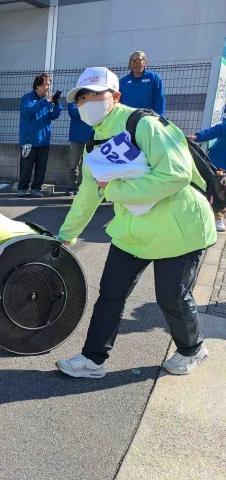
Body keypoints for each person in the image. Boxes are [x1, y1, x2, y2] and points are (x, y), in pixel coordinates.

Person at [55, 67, 215, 379]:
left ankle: (192, 349)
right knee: (110, 294)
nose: (86, 102)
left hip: (180, 228)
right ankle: (93, 360)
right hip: (133, 230)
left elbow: (176, 173)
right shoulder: (94, 143)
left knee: (171, 296)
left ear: (115, 96)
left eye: (95, 95)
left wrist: (116, 190)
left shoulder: (144, 123)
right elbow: (88, 195)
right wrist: (66, 234)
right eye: (81, 98)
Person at [18, 73, 63, 198]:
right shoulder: (27, 98)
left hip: (44, 140)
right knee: (26, 167)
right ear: (37, 86)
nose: (48, 87)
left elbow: (53, 116)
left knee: (41, 168)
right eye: (46, 85)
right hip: (29, 141)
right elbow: (28, 111)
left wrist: (57, 104)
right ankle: (22, 188)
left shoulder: (46, 100)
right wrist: (44, 101)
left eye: (49, 85)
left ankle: (36, 188)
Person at [188, 111, 226, 232]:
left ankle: (218, 215)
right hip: (217, 165)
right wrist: (196, 137)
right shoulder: (224, 126)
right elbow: (213, 131)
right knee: (216, 190)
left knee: (219, 191)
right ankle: (216, 216)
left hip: (219, 166)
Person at [119, 51, 166, 116]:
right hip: (127, 119)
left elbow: (159, 100)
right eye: (132, 61)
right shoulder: (123, 82)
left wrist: (159, 117)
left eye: (138, 60)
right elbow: (118, 102)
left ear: (144, 62)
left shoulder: (154, 78)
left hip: (147, 118)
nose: (135, 63)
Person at [66, 101, 94, 196]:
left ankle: (86, 187)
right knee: (73, 164)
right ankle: (72, 186)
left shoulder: (92, 99)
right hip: (75, 138)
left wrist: (82, 108)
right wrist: (87, 108)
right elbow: (73, 113)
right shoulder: (72, 101)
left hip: (90, 138)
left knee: (88, 165)